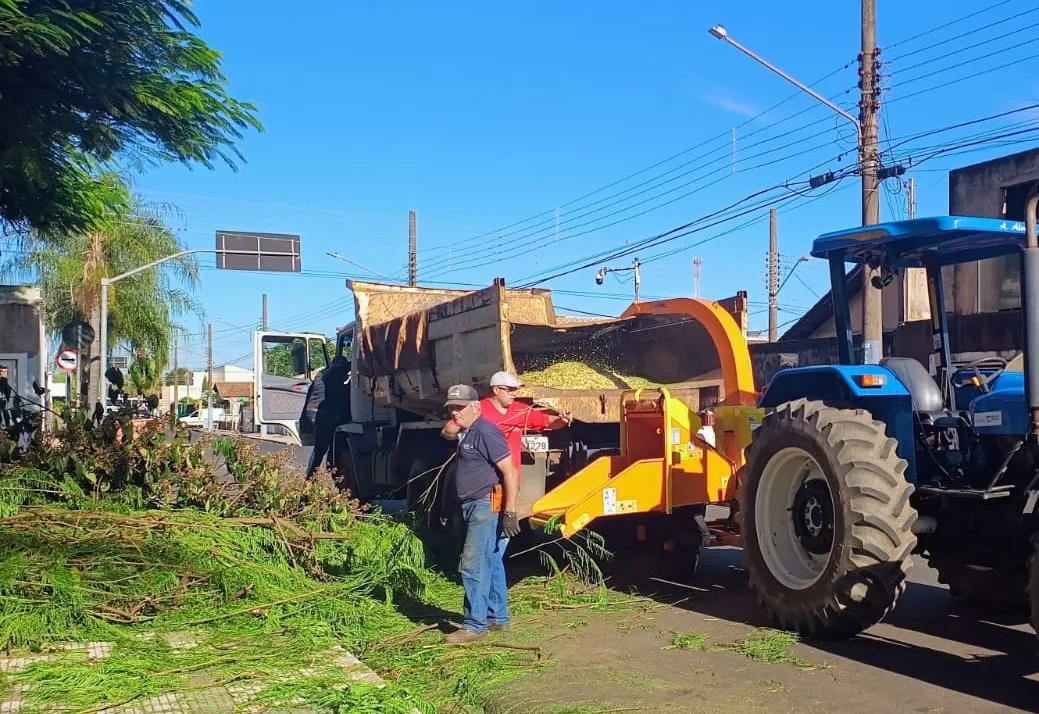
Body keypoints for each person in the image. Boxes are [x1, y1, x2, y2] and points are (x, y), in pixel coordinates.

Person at [441, 384, 521, 644]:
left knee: (472, 564)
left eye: (460, 407)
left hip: (484, 506)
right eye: (452, 408)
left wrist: (510, 512)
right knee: (492, 559)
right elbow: (446, 432)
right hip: (472, 505)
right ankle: (497, 618)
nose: (455, 412)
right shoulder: (468, 431)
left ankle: (474, 625)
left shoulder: (486, 432)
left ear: (476, 407)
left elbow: (510, 472)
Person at [441, 371, 573, 479]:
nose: (514, 393)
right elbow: (447, 431)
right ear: (496, 390)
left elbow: (548, 422)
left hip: (511, 477)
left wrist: (562, 420)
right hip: (485, 479)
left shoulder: (520, 410)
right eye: (509, 390)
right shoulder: (478, 409)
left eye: (515, 389)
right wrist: (472, 429)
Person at [303, 356, 350, 478]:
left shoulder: (323, 373)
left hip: (315, 412)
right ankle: (310, 478)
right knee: (321, 449)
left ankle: (315, 476)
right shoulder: (332, 375)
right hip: (322, 413)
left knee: (323, 447)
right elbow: (340, 394)